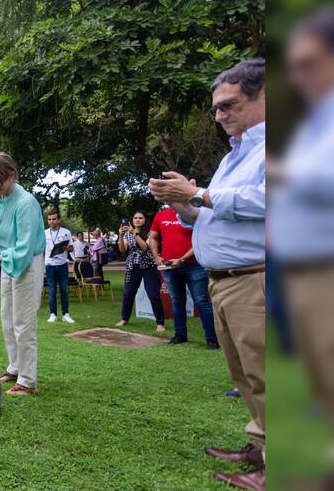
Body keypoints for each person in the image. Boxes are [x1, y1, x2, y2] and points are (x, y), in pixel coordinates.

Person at [149, 58, 266, 489]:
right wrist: (184, 205)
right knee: (246, 375)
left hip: (257, 278)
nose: (219, 116)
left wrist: (198, 192)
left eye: (228, 105)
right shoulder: (236, 155)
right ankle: (260, 447)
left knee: (268, 375)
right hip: (227, 280)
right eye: (216, 108)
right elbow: (210, 215)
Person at [271, 12, 334, 481]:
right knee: (318, 370)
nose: (300, 76)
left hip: (323, 266)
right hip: (301, 266)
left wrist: (282, 173)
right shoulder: (314, 121)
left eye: (309, 63)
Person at [0, 152, 45, 396]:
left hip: (27, 263)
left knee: (23, 323)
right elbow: (5, 231)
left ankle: (27, 381)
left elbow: (23, 247)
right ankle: (15, 367)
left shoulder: (26, 203)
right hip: (8, 263)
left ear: (11, 175)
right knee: (7, 319)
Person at [149, 206, 219, 349]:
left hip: (194, 265)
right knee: (177, 301)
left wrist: (182, 259)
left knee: (201, 301)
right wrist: (156, 256)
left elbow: (201, 240)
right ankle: (180, 335)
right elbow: (153, 237)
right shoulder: (161, 215)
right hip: (169, 266)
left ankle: (212, 339)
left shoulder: (195, 213)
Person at [115, 212, 165, 332]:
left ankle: (160, 323)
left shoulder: (150, 232)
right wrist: (121, 236)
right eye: (135, 218)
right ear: (132, 220)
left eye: (140, 218)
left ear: (145, 220)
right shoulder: (127, 234)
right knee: (128, 293)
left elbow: (146, 247)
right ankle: (124, 318)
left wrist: (134, 233)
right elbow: (122, 249)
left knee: (153, 294)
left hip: (149, 266)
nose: (137, 220)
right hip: (133, 266)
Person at [44, 211, 75, 323]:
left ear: (58, 220)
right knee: (52, 290)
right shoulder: (44, 233)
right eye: (50, 219)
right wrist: (43, 263)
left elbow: (71, 248)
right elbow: (42, 250)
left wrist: (66, 248)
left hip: (62, 264)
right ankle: (53, 314)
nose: (52, 221)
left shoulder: (66, 232)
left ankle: (66, 314)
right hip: (50, 265)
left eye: (54, 219)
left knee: (64, 290)